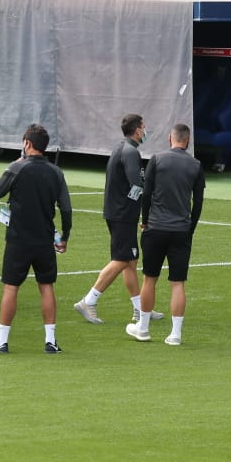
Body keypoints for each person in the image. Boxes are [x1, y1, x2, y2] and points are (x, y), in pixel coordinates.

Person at [0, 124, 73, 355]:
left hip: (18, 240)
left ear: (27, 144)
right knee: (46, 287)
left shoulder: (17, 167)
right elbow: (66, 209)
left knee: (11, 288)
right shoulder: (56, 172)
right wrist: (64, 237)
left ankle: (1, 342)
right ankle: (51, 341)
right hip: (44, 239)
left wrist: (11, 167)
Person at [125, 123, 205, 346]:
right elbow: (198, 202)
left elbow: (146, 193)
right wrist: (191, 227)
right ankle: (176, 334)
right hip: (181, 229)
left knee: (150, 279)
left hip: (156, 228)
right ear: (187, 141)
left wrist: (145, 220)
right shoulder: (196, 165)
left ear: (170, 138)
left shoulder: (156, 160)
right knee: (177, 282)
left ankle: (143, 329)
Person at [73, 113, 151, 326]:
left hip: (119, 212)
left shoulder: (121, 148)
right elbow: (137, 184)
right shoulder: (131, 152)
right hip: (123, 215)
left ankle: (139, 309)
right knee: (122, 260)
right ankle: (88, 301)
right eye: (143, 127)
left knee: (131, 261)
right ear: (137, 130)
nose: (145, 131)